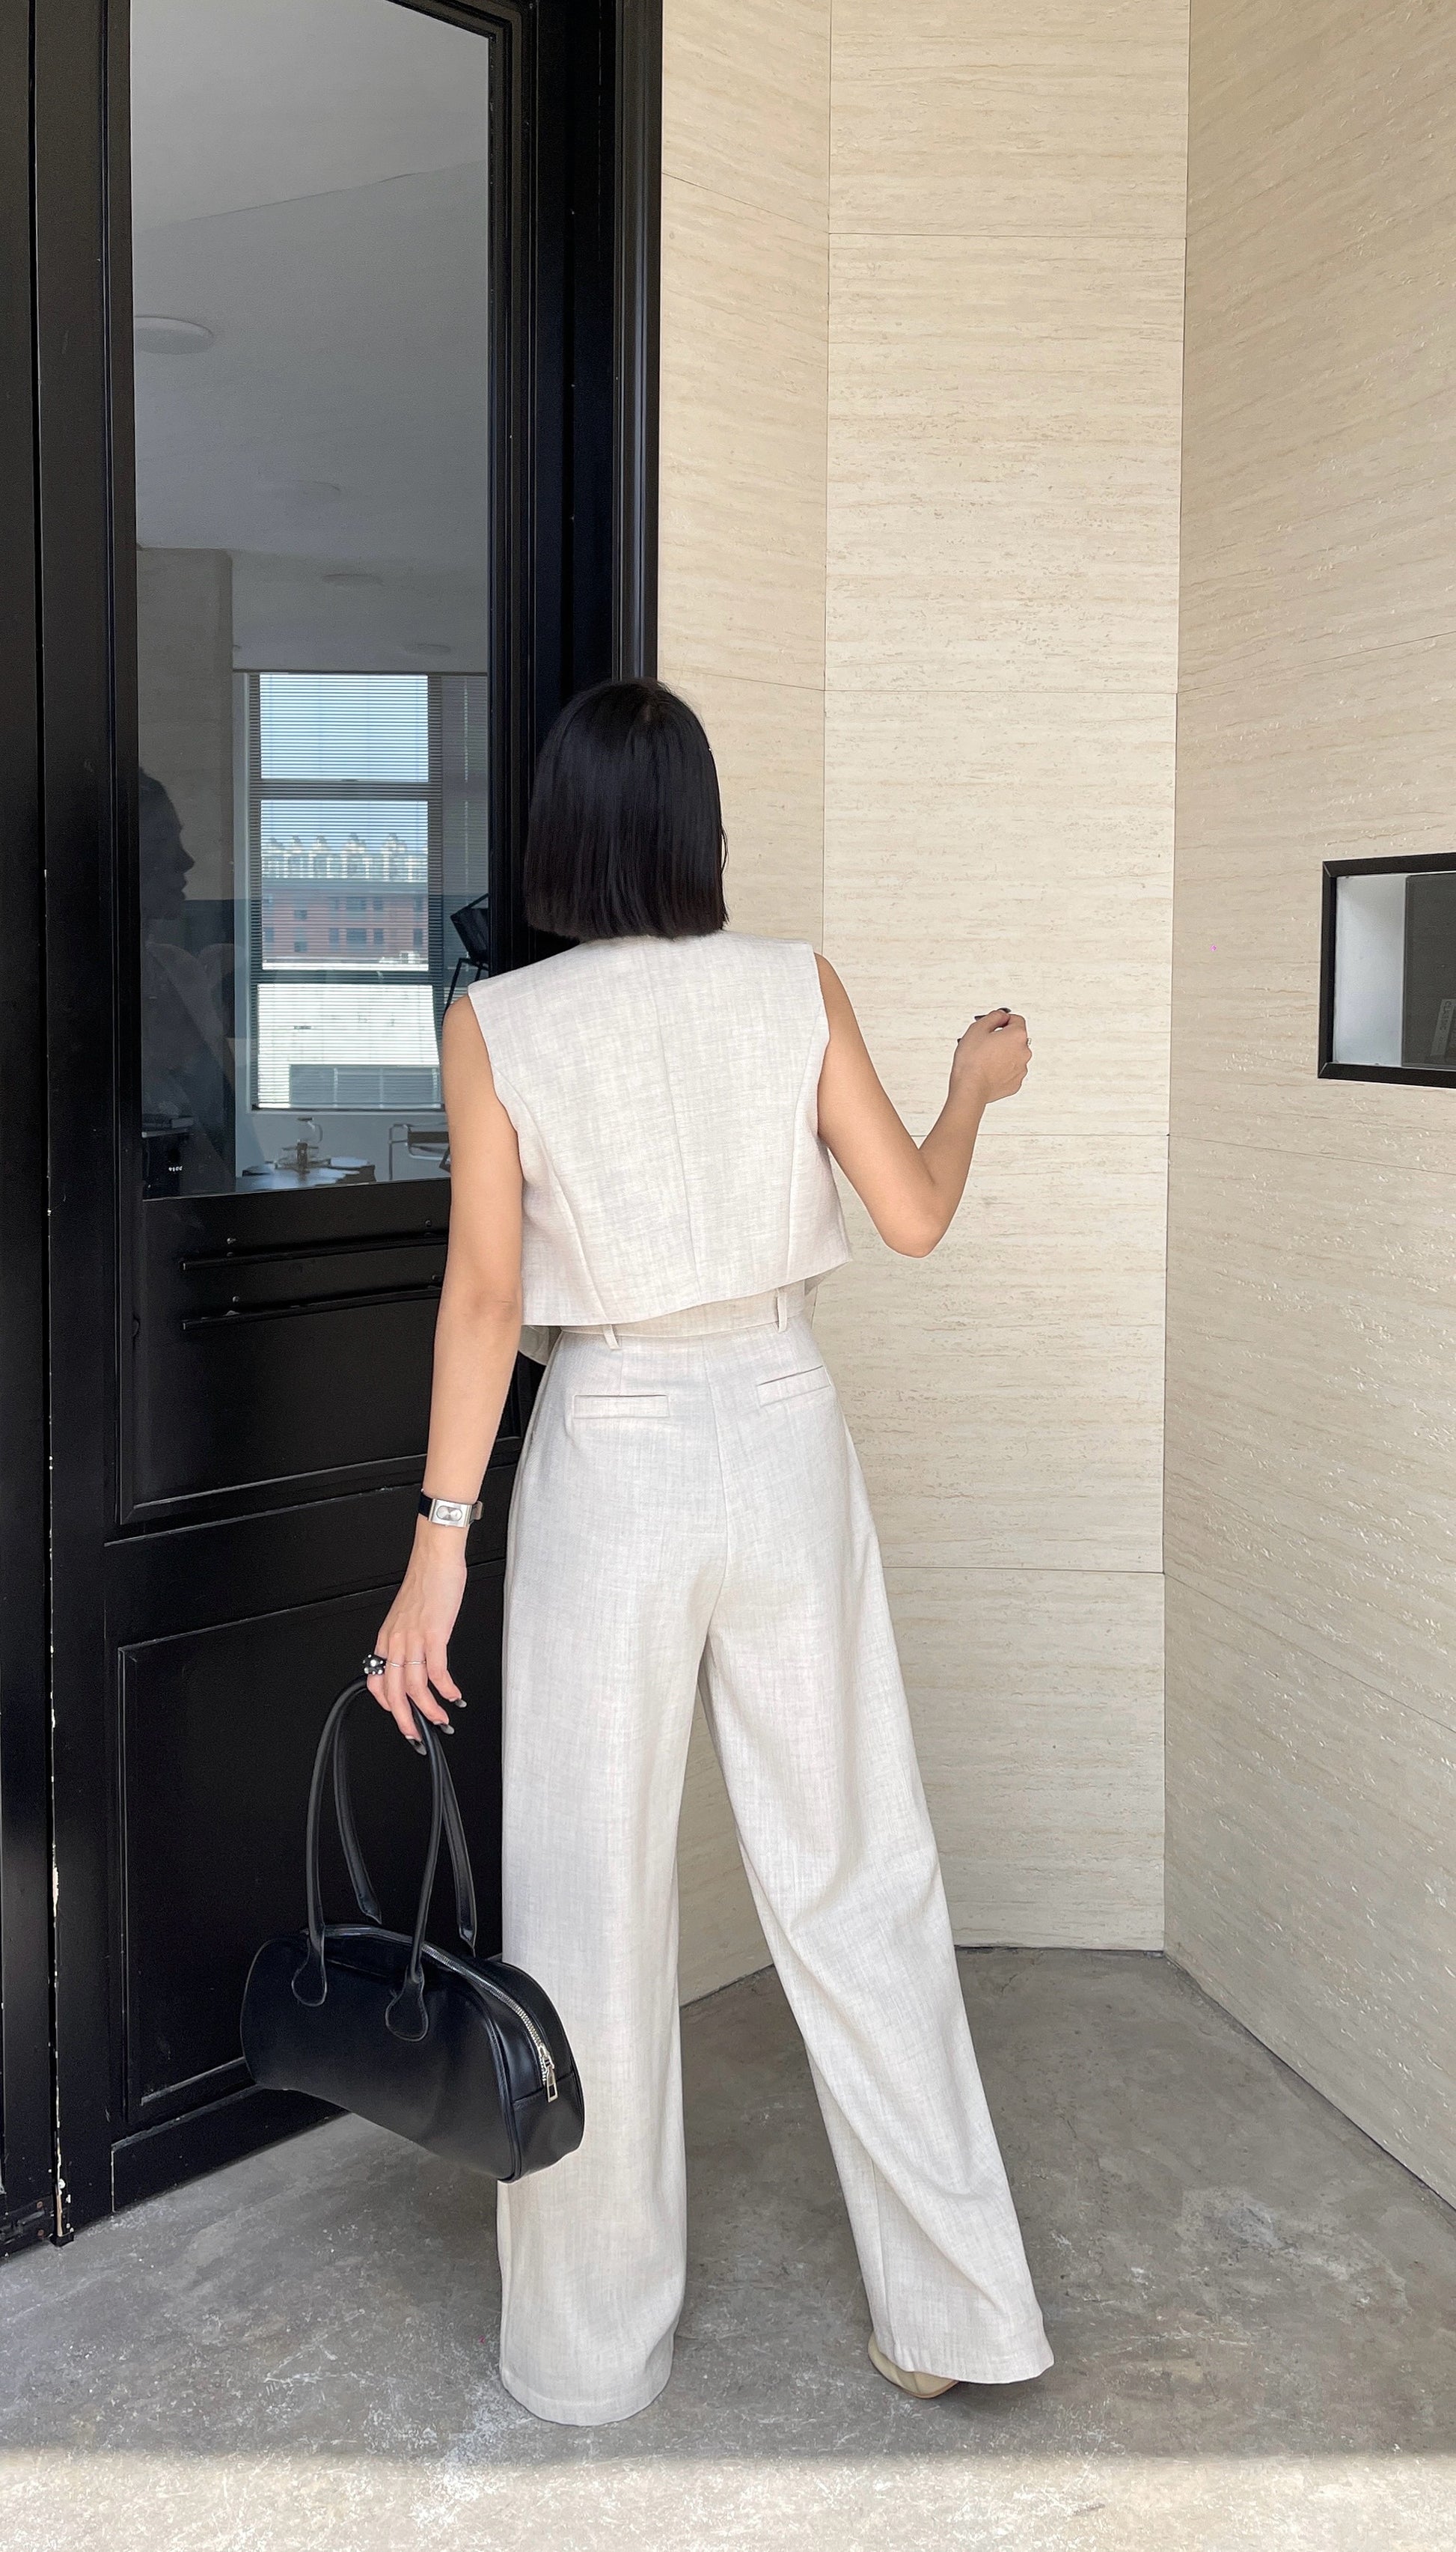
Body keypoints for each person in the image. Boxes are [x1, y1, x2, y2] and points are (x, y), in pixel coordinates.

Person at [367, 678, 1053, 2425]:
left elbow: (486, 1299)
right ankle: (957, 2312)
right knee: (857, 1869)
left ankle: (587, 2354)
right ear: (700, 828)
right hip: (782, 1420)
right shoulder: (792, 983)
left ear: (558, 836)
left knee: (589, 1898)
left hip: (610, 1445)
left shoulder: (497, 1023)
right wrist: (972, 1087)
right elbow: (911, 1216)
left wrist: (439, 1544)